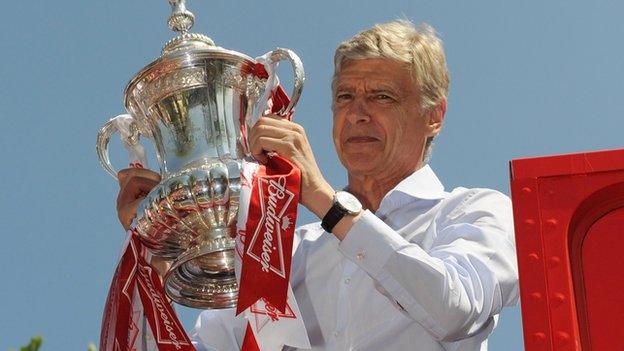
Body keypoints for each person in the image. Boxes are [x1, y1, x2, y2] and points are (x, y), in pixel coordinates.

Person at [117, 20, 518, 351]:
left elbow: (454, 309)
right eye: (345, 97)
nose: (357, 114)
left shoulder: (475, 211)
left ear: (434, 116)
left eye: (381, 96)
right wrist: (152, 249)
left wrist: (327, 203)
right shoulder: (277, 248)